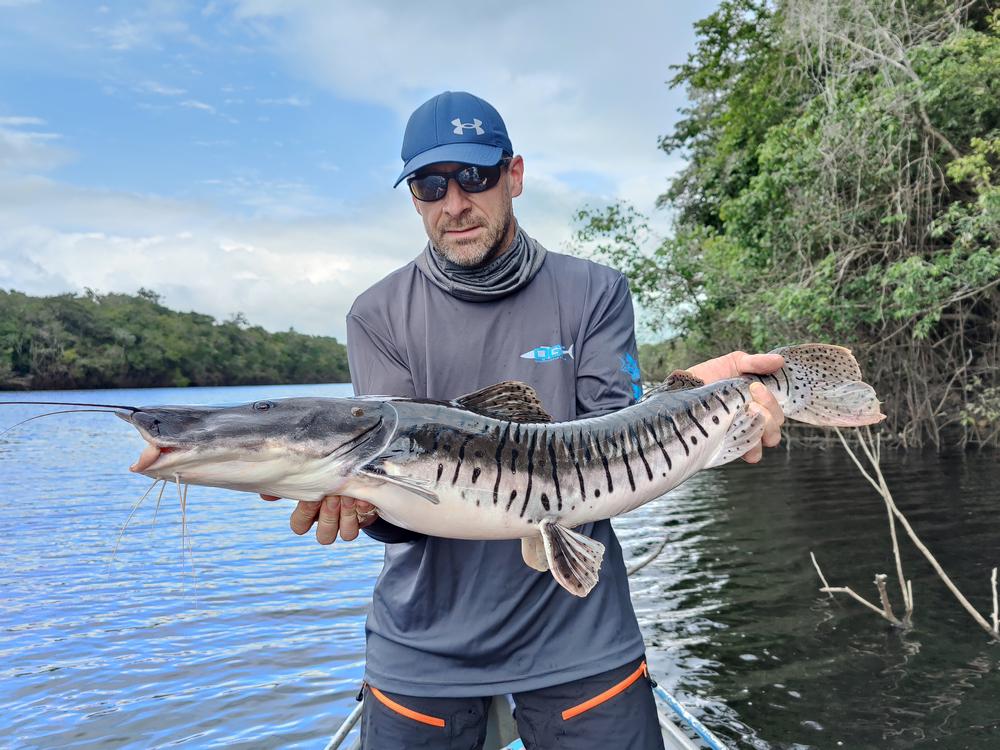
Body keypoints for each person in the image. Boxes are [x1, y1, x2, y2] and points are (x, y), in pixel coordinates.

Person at [265, 91, 784, 749]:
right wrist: (361, 506)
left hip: (580, 631)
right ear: (414, 198)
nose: (455, 203)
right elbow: (400, 509)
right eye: (430, 185)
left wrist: (691, 399)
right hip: (423, 646)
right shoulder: (377, 314)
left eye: (473, 177)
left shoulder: (594, 290)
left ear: (513, 175)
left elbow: (614, 437)